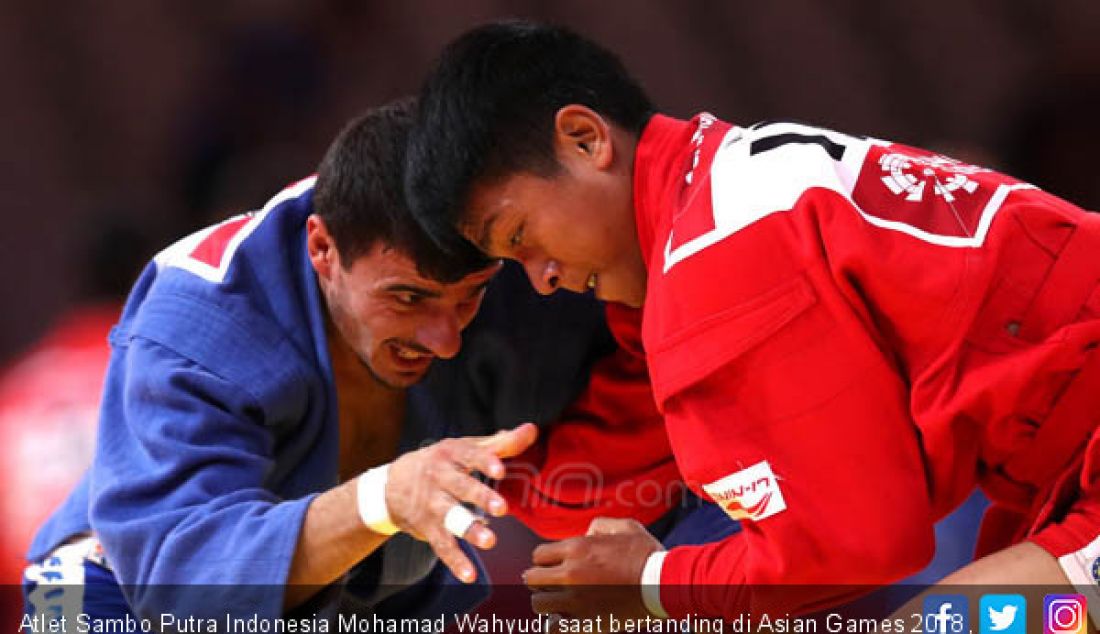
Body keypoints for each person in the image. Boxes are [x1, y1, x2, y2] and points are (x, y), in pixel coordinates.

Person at [404, 20, 1100, 621]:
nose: (544, 278)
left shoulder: (716, 255)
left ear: (585, 139)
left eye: (521, 235)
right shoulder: (726, 173)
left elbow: (854, 545)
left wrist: (653, 583)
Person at [22, 100, 721, 627]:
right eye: (408, 298)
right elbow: (181, 583)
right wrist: (384, 497)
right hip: (106, 590)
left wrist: (667, 577)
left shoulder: (523, 268)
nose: (443, 337)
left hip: (361, 595)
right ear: (323, 251)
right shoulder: (200, 321)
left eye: (467, 296)